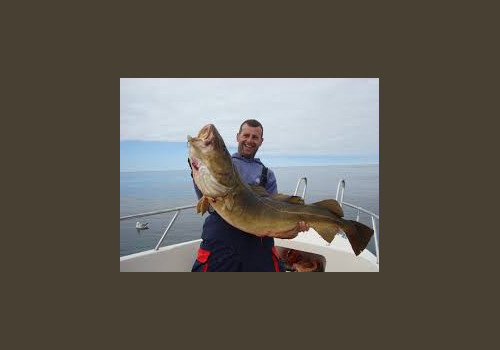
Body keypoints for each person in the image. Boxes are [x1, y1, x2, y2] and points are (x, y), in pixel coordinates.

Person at [190, 119, 309, 272]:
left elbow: (274, 210)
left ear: (261, 141)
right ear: (238, 137)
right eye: (246, 135)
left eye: (255, 137)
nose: (249, 140)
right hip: (221, 243)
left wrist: (295, 226)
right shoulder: (223, 163)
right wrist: (196, 167)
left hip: (258, 247)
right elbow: (208, 203)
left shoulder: (267, 174)